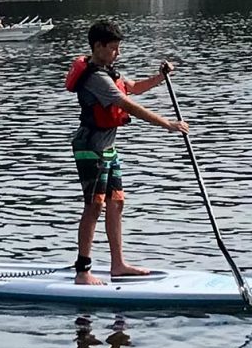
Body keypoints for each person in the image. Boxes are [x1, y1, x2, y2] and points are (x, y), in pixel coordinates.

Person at [66, 21, 188, 284]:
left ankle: (118, 264)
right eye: (113, 48)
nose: (117, 54)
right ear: (98, 47)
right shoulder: (97, 78)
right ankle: (82, 271)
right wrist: (168, 124)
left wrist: (160, 77)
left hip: (108, 149)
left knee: (117, 203)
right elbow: (127, 104)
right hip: (90, 149)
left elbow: (133, 88)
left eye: (118, 48)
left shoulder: (108, 71)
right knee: (93, 206)